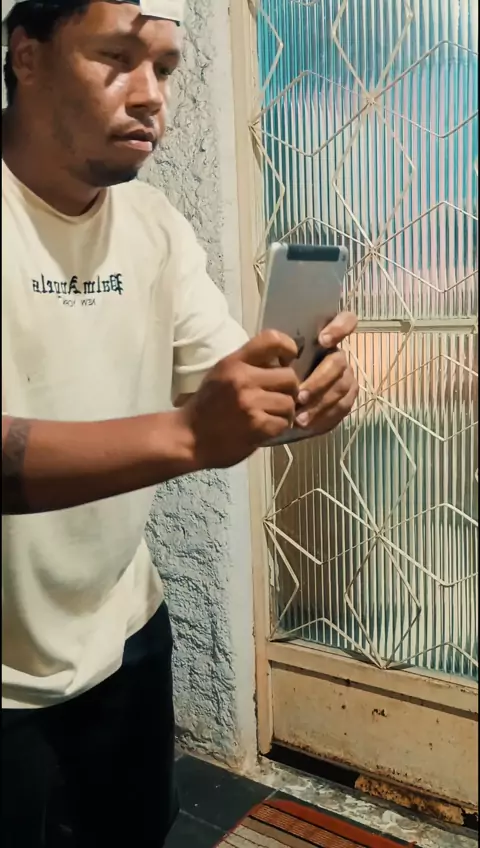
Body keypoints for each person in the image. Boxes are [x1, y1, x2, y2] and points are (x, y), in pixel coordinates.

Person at [1, 0, 359, 844]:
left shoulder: (154, 225)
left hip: (125, 630)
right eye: (116, 57)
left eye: (164, 68)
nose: (151, 95)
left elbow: (232, 394)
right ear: (26, 56)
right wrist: (191, 436)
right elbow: (196, 430)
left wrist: (301, 393)